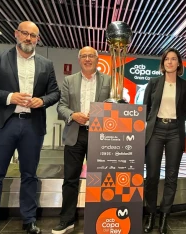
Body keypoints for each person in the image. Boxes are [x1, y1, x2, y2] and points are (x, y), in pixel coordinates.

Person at [0, 21, 60, 234]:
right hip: (3, 124)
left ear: (37, 39)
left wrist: (42, 101)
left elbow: (55, 93)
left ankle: (29, 220)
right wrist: (9, 97)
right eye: (25, 34)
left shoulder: (46, 64)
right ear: (16, 34)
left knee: (30, 175)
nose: (28, 39)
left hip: (32, 126)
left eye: (33, 36)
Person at [52, 46, 111, 234]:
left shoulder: (108, 80)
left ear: (97, 59)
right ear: (79, 60)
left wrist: (102, 113)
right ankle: (67, 220)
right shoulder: (69, 80)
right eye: (84, 56)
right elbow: (61, 107)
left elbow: (115, 104)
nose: (87, 59)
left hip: (99, 135)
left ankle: (98, 218)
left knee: (99, 179)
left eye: (91, 56)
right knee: (70, 179)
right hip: (74, 134)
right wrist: (73, 115)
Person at [142, 48, 186, 234]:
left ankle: (164, 216)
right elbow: (145, 107)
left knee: (172, 177)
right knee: (152, 176)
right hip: (155, 131)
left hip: (175, 132)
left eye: (173, 59)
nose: (170, 62)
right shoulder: (154, 82)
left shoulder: (185, 85)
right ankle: (151, 215)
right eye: (167, 59)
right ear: (163, 63)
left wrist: (176, 120)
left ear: (179, 63)